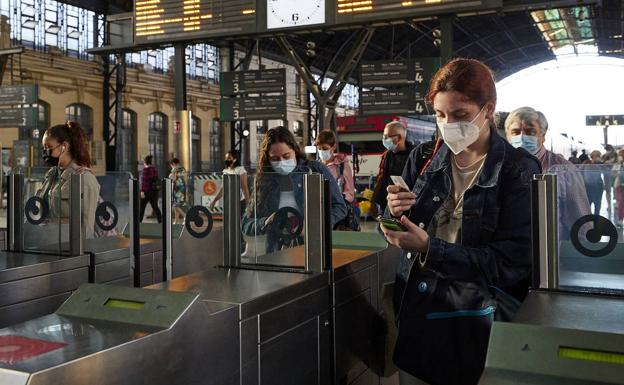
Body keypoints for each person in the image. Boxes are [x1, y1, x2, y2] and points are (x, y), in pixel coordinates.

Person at [380, 58, 541, 385]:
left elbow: (513, 262)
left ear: (488, 109)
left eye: (460, 115)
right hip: (418, 312)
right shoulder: (424, 158)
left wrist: (430, 247)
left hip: (479, 321)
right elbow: (394, 227)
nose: (448, 124)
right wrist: (392, 216)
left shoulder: (518, 169)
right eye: (440, 115)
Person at [242, 126, 347, 253]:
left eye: (286, 156)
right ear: (268, 159)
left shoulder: (315, 170)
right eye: (275, 159)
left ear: (295, 151)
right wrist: (266, 222)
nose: (281, 162)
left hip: (314, 250)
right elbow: (246, 224)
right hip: (277, 254)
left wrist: (314, 225)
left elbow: (340, 206)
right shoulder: (264, 180)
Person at [505, 106, 590, 240]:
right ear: (507, 136)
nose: (522, 137)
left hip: (549, 254)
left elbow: (580, 221)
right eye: (515, 132)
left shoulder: (564, 170)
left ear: (543, 136)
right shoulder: (498, 166)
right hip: (507, 253)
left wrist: (581, 254)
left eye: (530, 132)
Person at [37, 121, 101, 239]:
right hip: (48, 243)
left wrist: (80, 255)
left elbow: (86, 226)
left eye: (49, 147)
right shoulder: (51, 175)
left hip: (72, 248)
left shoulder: (84, 178)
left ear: (64, 147)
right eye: (44, 148)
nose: (45, 152)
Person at [210, 150, 251, 253]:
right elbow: (223, 189)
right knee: (229, 224)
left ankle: (242, 244)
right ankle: (233, 245)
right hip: (229, 201)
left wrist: (248, 203)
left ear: (235, 159)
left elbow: (245, 187)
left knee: (236, 224)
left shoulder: (240, 170)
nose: (227, 160)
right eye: (226, 158)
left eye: (229, 158)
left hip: (239, 201)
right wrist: (214, 201)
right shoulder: (225, 171)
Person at [371, 121, 415, 217]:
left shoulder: (414, 156)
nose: (384, 139)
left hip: (406, 207)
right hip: (385, 206)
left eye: (387, 136)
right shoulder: (387, 155)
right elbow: (382, 179)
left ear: (399, 138)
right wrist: (373, 201)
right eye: (384, 136)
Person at [315, 130, 355, 203]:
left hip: (336, 210)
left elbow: (350, 194)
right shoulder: (314, 167)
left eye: (325, 148)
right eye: (319, 148)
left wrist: (339, 200)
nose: (321, 151)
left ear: (333, 147)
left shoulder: (342, 167)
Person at [139, 154, 162, 223]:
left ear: (145, 162)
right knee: (155, 207)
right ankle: (160, 220)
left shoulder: (145, 170)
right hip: (154, 191)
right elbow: (155, 179)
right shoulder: (154, 169)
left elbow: (144, 182)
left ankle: (139, 221)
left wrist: (142, 191)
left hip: (146, 192)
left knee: (142, 208)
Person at [581, 150, 604, 216]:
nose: (598, 157)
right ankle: (589, 220)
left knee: (597, 205)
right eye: (597, 155)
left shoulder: (600, 163)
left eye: (599, 156)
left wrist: (598, 163)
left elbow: (605, 170)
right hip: (587, 186)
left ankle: (596, 220)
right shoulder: (586, 162)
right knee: (588, 204)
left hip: (598, 187)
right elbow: (580, 171)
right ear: (592, 156)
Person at [168, 158, 187, 224]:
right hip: (183, 189)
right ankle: (176, 220)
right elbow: (185, 178)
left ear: (173, 164)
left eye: (171, 165)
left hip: (177, 189)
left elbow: (173, 178)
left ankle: (185, 216)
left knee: (175, 205)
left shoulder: (174, 169)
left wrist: (170, 176)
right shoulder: (183, 168)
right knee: (178, 204)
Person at [612, 149, 624, 226]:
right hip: (618, 185)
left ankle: (620, 219)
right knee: (621, 202)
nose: (619, 157)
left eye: (620, 155)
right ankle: (620, 219)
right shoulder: (617, 164)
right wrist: (618, 173)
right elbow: (613, 173)